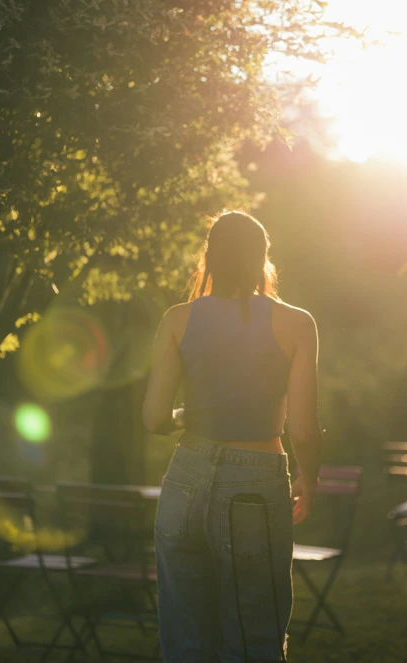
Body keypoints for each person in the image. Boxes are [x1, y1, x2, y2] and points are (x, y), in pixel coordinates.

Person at [142, 210, 322, 662]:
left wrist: (188, 415)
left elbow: (154, 418)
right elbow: (301, 427)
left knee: (186, 642)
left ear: (210, 258)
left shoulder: (177, 319)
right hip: (256, 487)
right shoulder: (297, 323)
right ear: (263, 257)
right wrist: (309, 479)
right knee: (253, 639)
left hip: (184, 478)